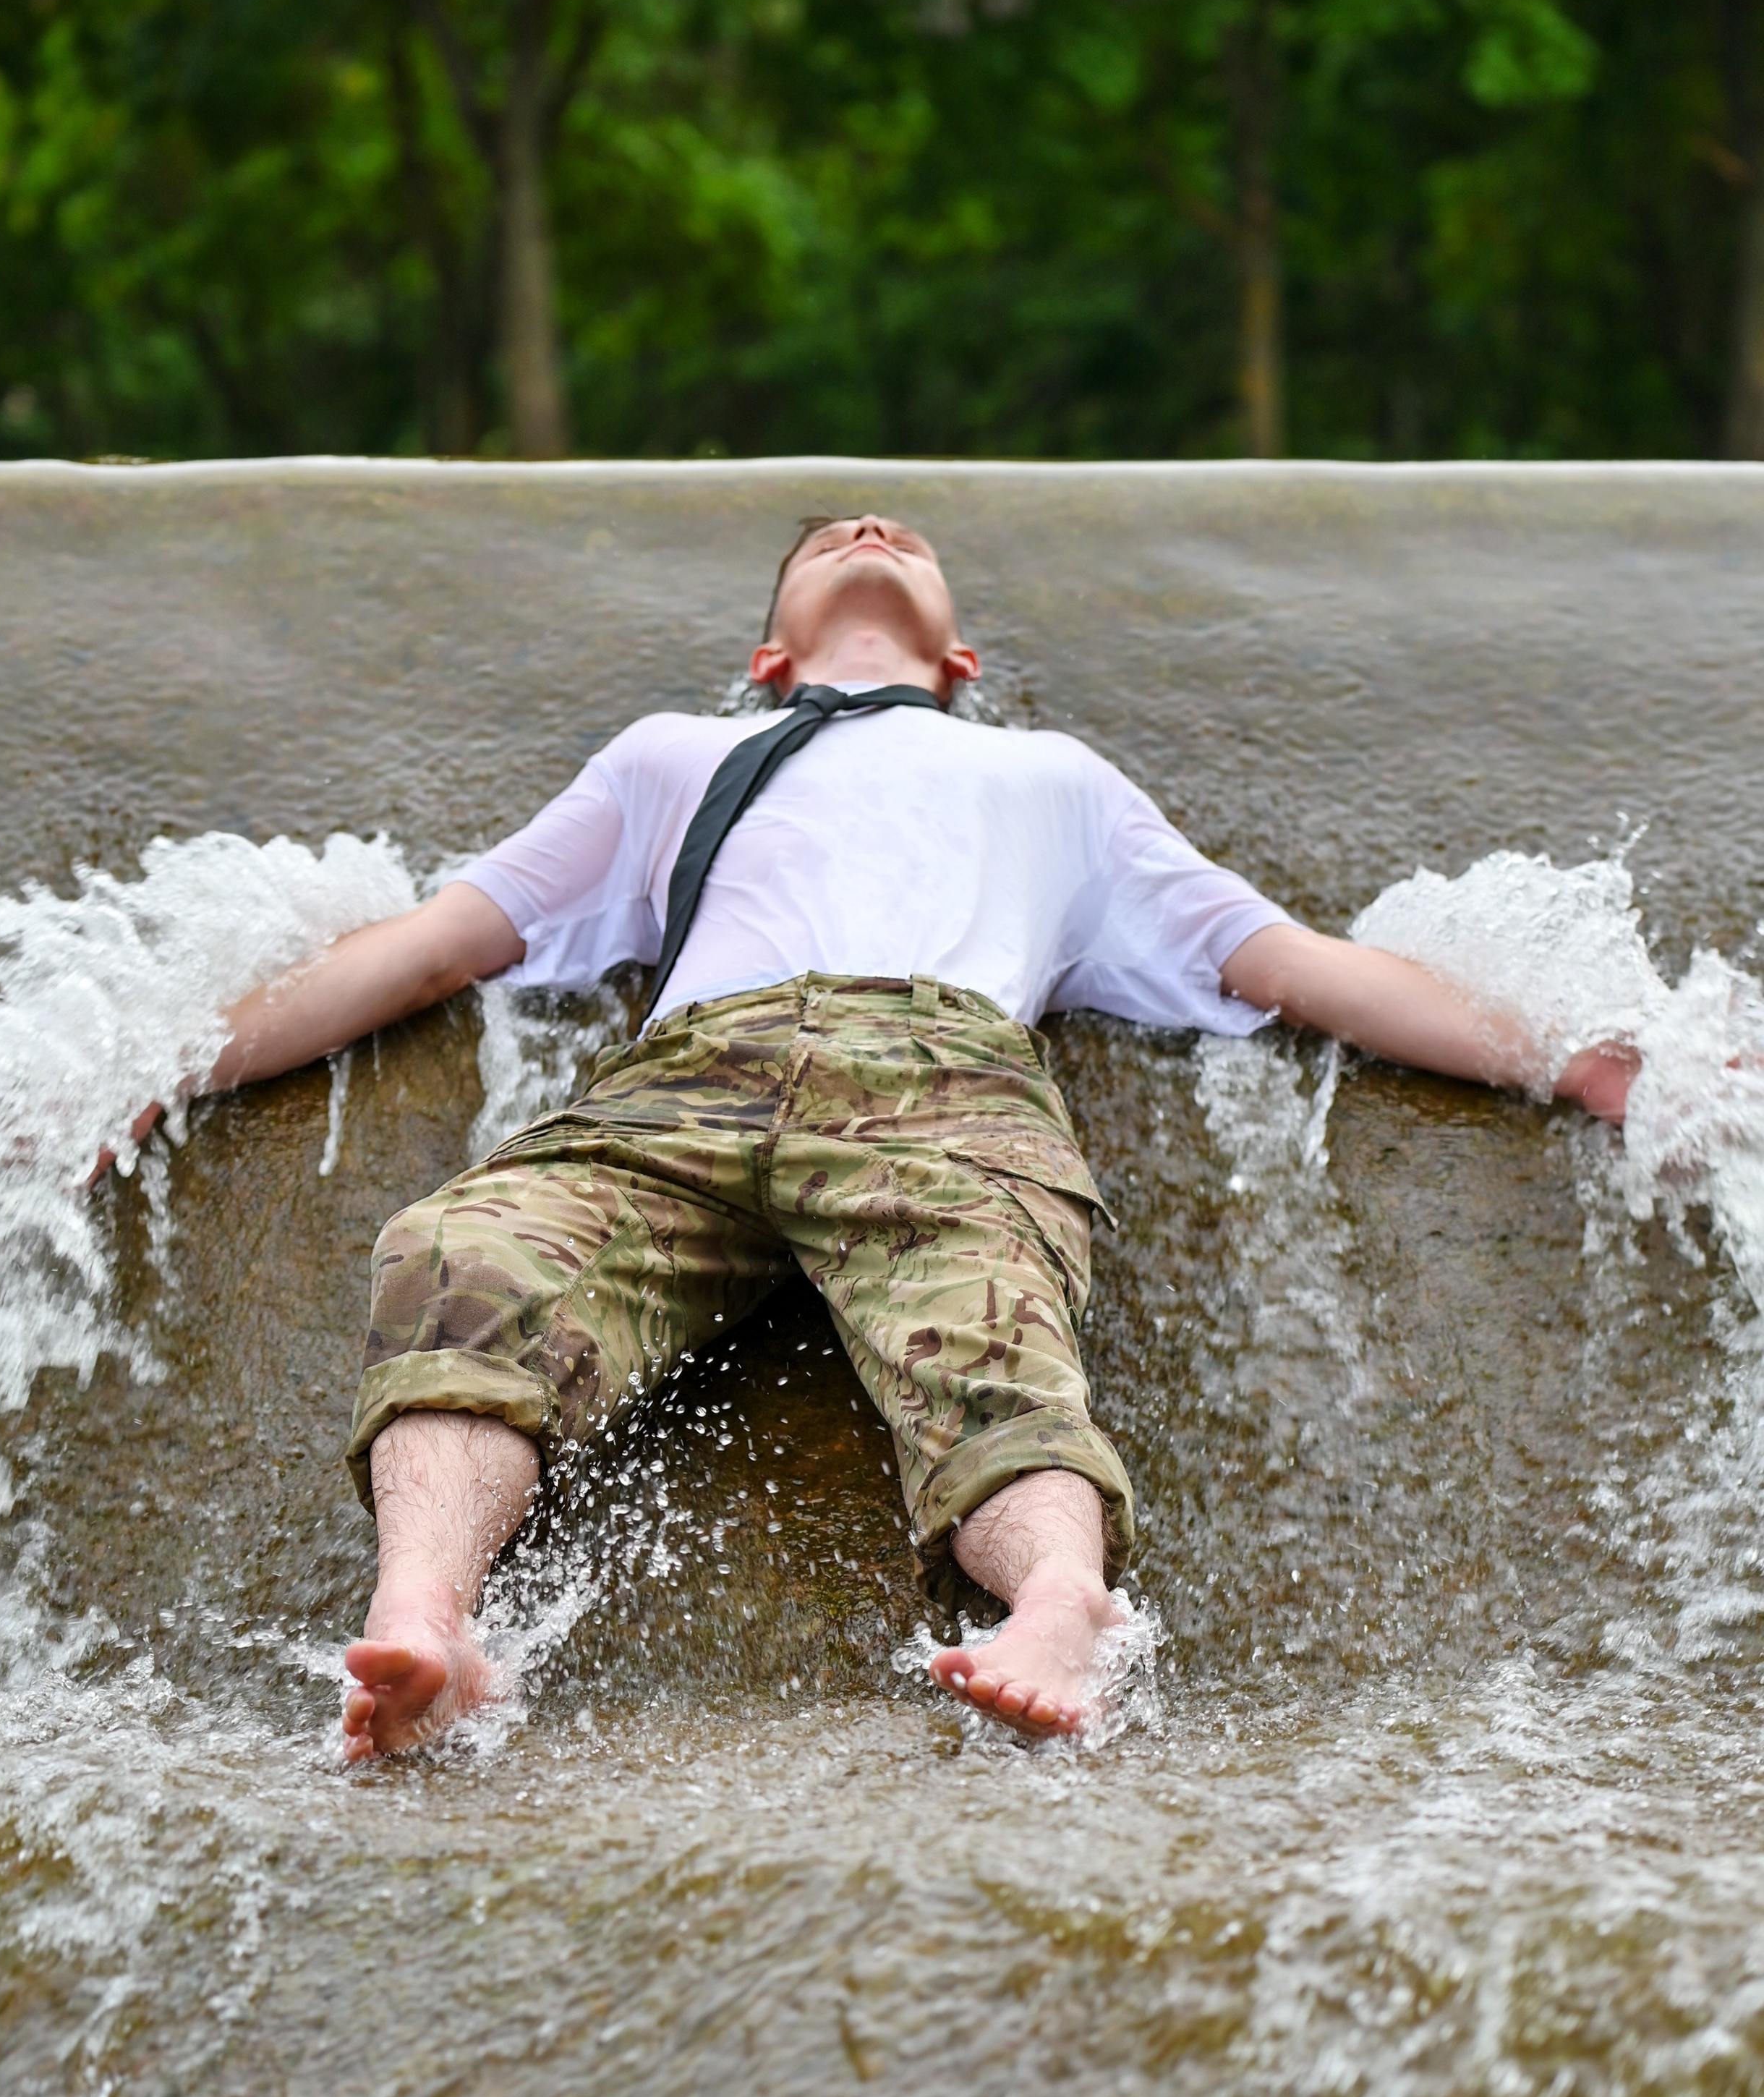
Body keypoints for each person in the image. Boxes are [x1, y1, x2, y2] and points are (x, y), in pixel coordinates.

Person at [127, 513, 1637, 1759]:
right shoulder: (669, 757)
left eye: (898, 534)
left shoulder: (1053, 783)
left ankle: (1057, 1608)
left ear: (959, 660)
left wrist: (1571, 1060)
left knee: (991, 1325)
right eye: (826, 535)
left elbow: (1297, 967)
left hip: (939, 1073)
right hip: (687, 1078)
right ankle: (425, 1616)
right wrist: (167, 1069)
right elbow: (427, 945)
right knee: (460, 1249)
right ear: (765, 655)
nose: (865, 526)